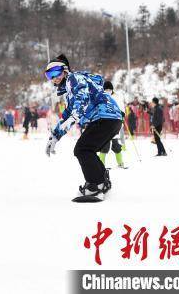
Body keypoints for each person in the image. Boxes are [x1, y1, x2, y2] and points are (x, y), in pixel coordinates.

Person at [43, 54, 123, 200]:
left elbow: (82, 96)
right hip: (110, 119)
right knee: (86, 149)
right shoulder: (68, 93)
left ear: (65, 70)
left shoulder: (74, 78)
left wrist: (75, 116)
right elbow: (66, 117)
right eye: (49, 75)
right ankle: (101, 180)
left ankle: (96, 184)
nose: (54, 77)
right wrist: (55, 136)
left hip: (105, 117)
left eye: (56, 72)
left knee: (82, 149)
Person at [98, 81, 126, 169]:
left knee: (116, 145)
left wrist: (122, 115)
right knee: (105, 146)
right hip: (104, 124)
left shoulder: (116, 97)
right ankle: (101, 164)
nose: (108, 91)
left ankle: (120, 163)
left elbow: (122, 108)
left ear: (112, 90)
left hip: (114, 124)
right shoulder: (101, 97)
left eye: (109, 89)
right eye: (106, 89)